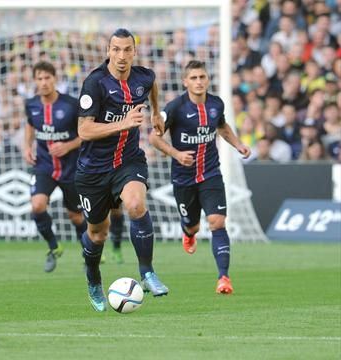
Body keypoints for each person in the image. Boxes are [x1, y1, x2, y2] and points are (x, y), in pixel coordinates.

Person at [76, 28, 168, 312]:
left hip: (128, 161)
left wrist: (155, 112)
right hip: (93, 170)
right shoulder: (95, 83)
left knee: (136, 204)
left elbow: (152, 85)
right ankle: (93, 280)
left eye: (127, 49)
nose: (121, 56)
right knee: (97, 233)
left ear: (134, 52)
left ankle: (148, 272)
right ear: (108, 51)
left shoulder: (143, 76)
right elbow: (84, 130)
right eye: (116, 49)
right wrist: (123, 124)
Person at [149, 60, 251, 295]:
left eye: (202, 77)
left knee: (217, 221)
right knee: (193, 225)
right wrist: (176, 154)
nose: (198, 82)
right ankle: (188, 233)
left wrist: (238, 145)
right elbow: (154, 138)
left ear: (208, 79)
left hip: (210, 173)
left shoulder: (216, 104)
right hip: (183, 178)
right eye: (193, 78)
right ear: (185, 82)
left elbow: (222, 127)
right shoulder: (175, 107)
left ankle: (223, 277)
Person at [23, 61, 87, 272]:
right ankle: (53, 247)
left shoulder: (70, 104)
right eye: (39, 79)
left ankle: (88, 250)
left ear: (55, 79)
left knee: (76, 216)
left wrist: (68, 146)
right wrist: (27, 146)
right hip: (44, 166)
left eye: (47, 78)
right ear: (35, 81)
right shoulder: (31, 104)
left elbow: (85, 133)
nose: (43, 83)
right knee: (37, 206)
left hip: (71, 168)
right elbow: (30, 125)